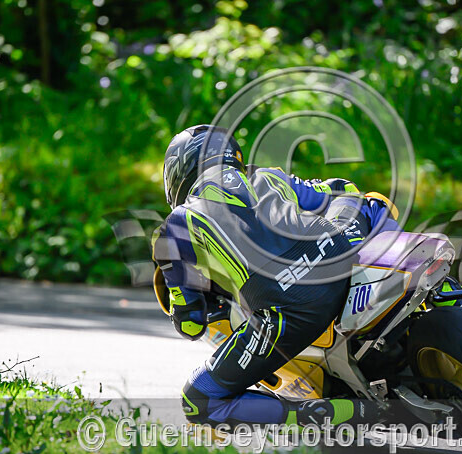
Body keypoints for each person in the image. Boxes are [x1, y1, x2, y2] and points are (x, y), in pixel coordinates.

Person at [152, 124, 399, 428]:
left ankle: (326, 415)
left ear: (179, 172)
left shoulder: (177, 224)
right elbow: (341, 190)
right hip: (337, 254)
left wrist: (185, 303)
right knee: (368, 201)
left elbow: (191, 323)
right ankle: (451, 296)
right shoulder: (267, 175)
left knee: (199, 401)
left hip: (289, 310)